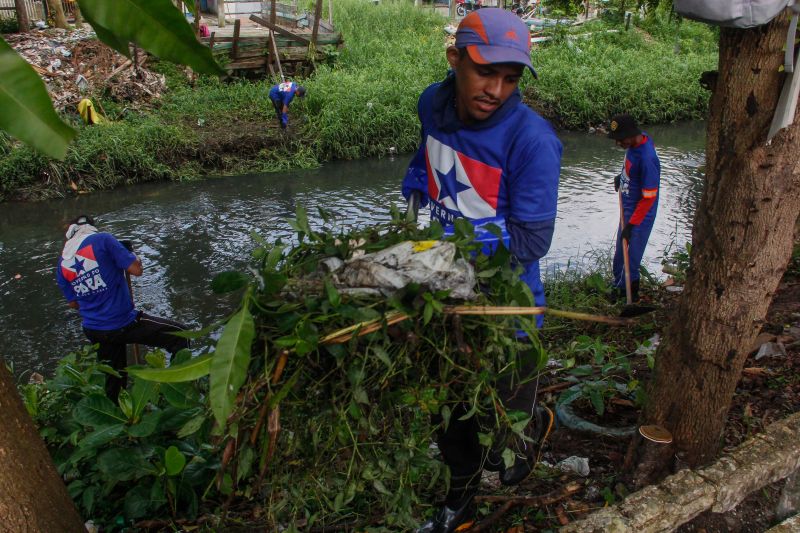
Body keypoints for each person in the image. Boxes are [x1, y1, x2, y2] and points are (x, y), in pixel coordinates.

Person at [401, 8, 561, 532]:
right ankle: (461, 500)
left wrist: (449, 252)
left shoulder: (531, 141)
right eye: (484, 72)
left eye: (510, 78)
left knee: (506, 422)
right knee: (450, 411)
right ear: (455, 59)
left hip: (506, 307)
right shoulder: (433, 102)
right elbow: (425, 155)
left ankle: (528, 424)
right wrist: (414, 182)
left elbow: (533, 239)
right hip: (445, 301)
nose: (496, 88)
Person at [55, 215, 189, 399]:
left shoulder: (62, 263)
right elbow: (136, 270)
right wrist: (132, 256)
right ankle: (177, 392)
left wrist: (94, 297)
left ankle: (116, 416)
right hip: (122, 323)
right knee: (181, 336)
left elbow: (73, 303)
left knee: (114, 380)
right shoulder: (103, 240)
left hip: (93, 328)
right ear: (91, 227)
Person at [608, 113, 661, 302]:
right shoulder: (635, 144)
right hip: (628, 211)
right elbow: (632, 169)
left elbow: (648, 198)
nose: (618, 144)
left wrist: (632, 225)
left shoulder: (647, 158)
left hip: (641, 216)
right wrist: (621, 177)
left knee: (632, 258)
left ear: (631, 134)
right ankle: (618, 286)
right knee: (619, 255)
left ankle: (631, 295)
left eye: (620, 139)